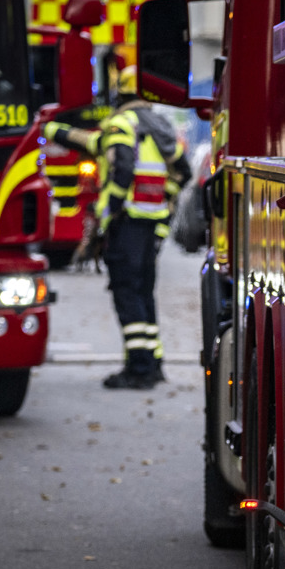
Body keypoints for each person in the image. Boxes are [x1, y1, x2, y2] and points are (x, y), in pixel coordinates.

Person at [44, 66, 191, 389]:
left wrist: (106, 214)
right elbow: (183, 171)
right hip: (150, 226)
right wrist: (52, 130)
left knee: (127, 293)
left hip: (126, 225)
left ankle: (138, 369)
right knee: (143, 293)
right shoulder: (159, 127)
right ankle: (152, 364)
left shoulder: (122, 124)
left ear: (119, 94)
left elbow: (121, 164)